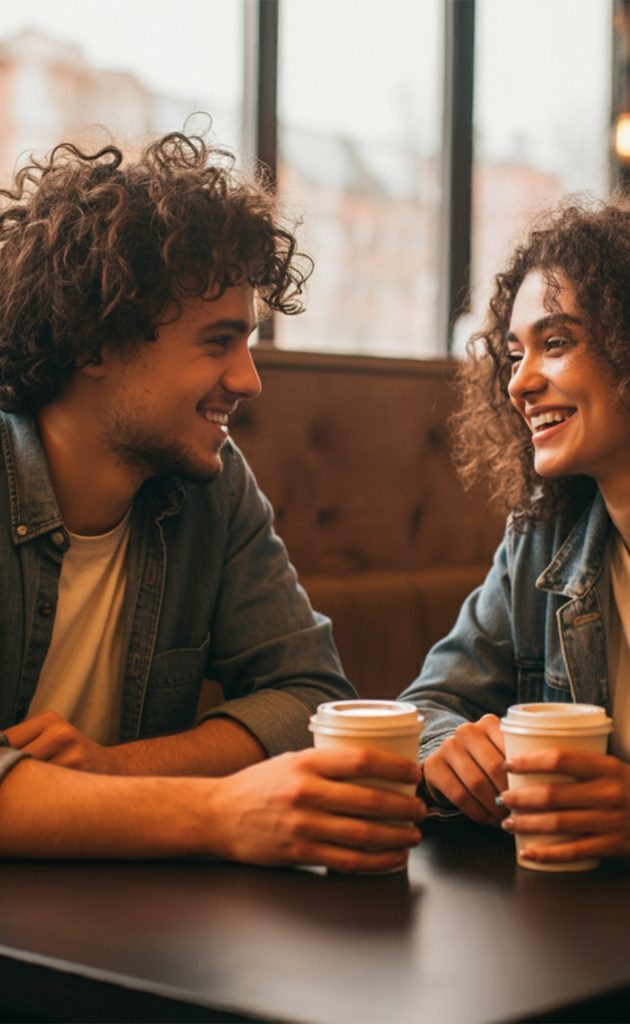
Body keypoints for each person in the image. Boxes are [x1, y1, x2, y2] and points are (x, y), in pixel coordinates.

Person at [0, 129, 425, 870]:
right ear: (92, 345)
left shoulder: (213, 486)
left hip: (124, 932)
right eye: (217, 342)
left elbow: (306, 695)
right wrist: (216, 813)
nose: (249, 379)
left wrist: (117, 770)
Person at [401, 194, 630, 866]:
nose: (519, 383)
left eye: (555, 343)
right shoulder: (543, 538)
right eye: (512, 354)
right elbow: (430, 703)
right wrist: (447, 747)